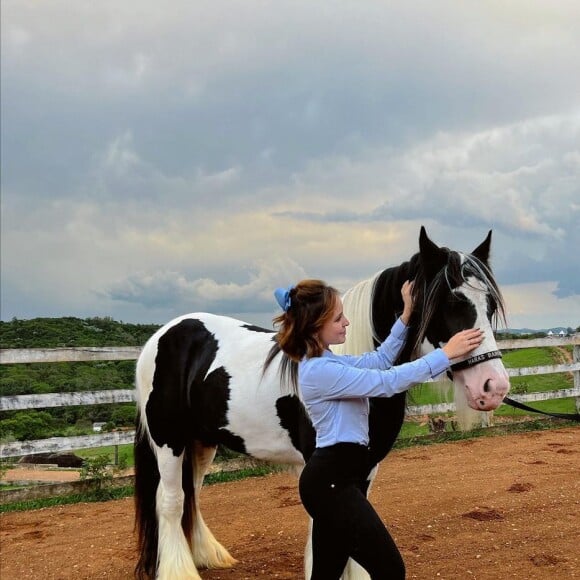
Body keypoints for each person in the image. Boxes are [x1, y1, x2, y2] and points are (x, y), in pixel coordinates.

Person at [272, 279, 483, 580]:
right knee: (390, 569)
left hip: (337, 480)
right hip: (332, 483)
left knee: (326, 574)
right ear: (314, 325)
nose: (346, 322)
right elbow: (386, 382)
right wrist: (444, 355)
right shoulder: (321, 371)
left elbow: (381, 360)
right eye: (337, 318)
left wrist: (406, 316)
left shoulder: (328, 362)